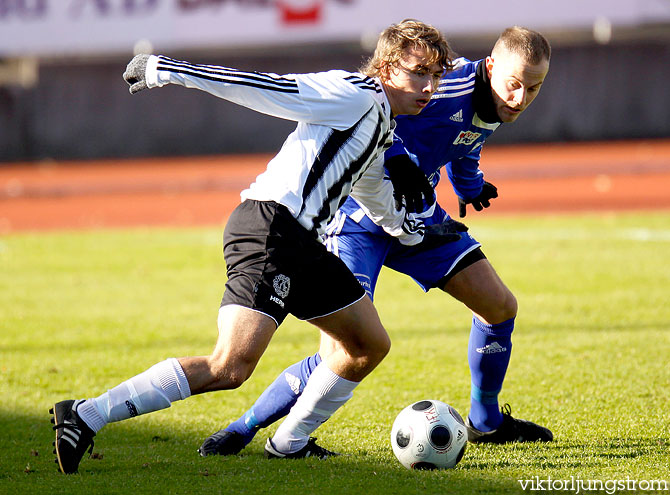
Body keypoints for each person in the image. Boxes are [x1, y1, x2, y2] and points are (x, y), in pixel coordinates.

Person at [50, 19, 457, 474]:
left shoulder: (380, 122)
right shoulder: (355, 92)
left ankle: (290, 442)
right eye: (419, 72)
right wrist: (167, 69)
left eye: (437, 75)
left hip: (303, 245)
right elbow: (266, 87)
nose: (429, 86)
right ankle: (87, 413)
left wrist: (415, 231)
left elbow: (373, 194)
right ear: (385, 67)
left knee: (366, 344)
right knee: (230, 366)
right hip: (271, 230)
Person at [199, 26, 554, 458]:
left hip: (416, 220)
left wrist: (470, 185)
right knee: (345, 349)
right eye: (515, 84)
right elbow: (376, 108)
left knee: (499, 307)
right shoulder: (449, 83)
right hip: (357, 218)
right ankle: (244, 428)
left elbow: (465, 142)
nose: (520, 98)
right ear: (493, 66)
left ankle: (485, 422)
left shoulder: (494, 101)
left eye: (533, 88)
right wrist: (398, 155)